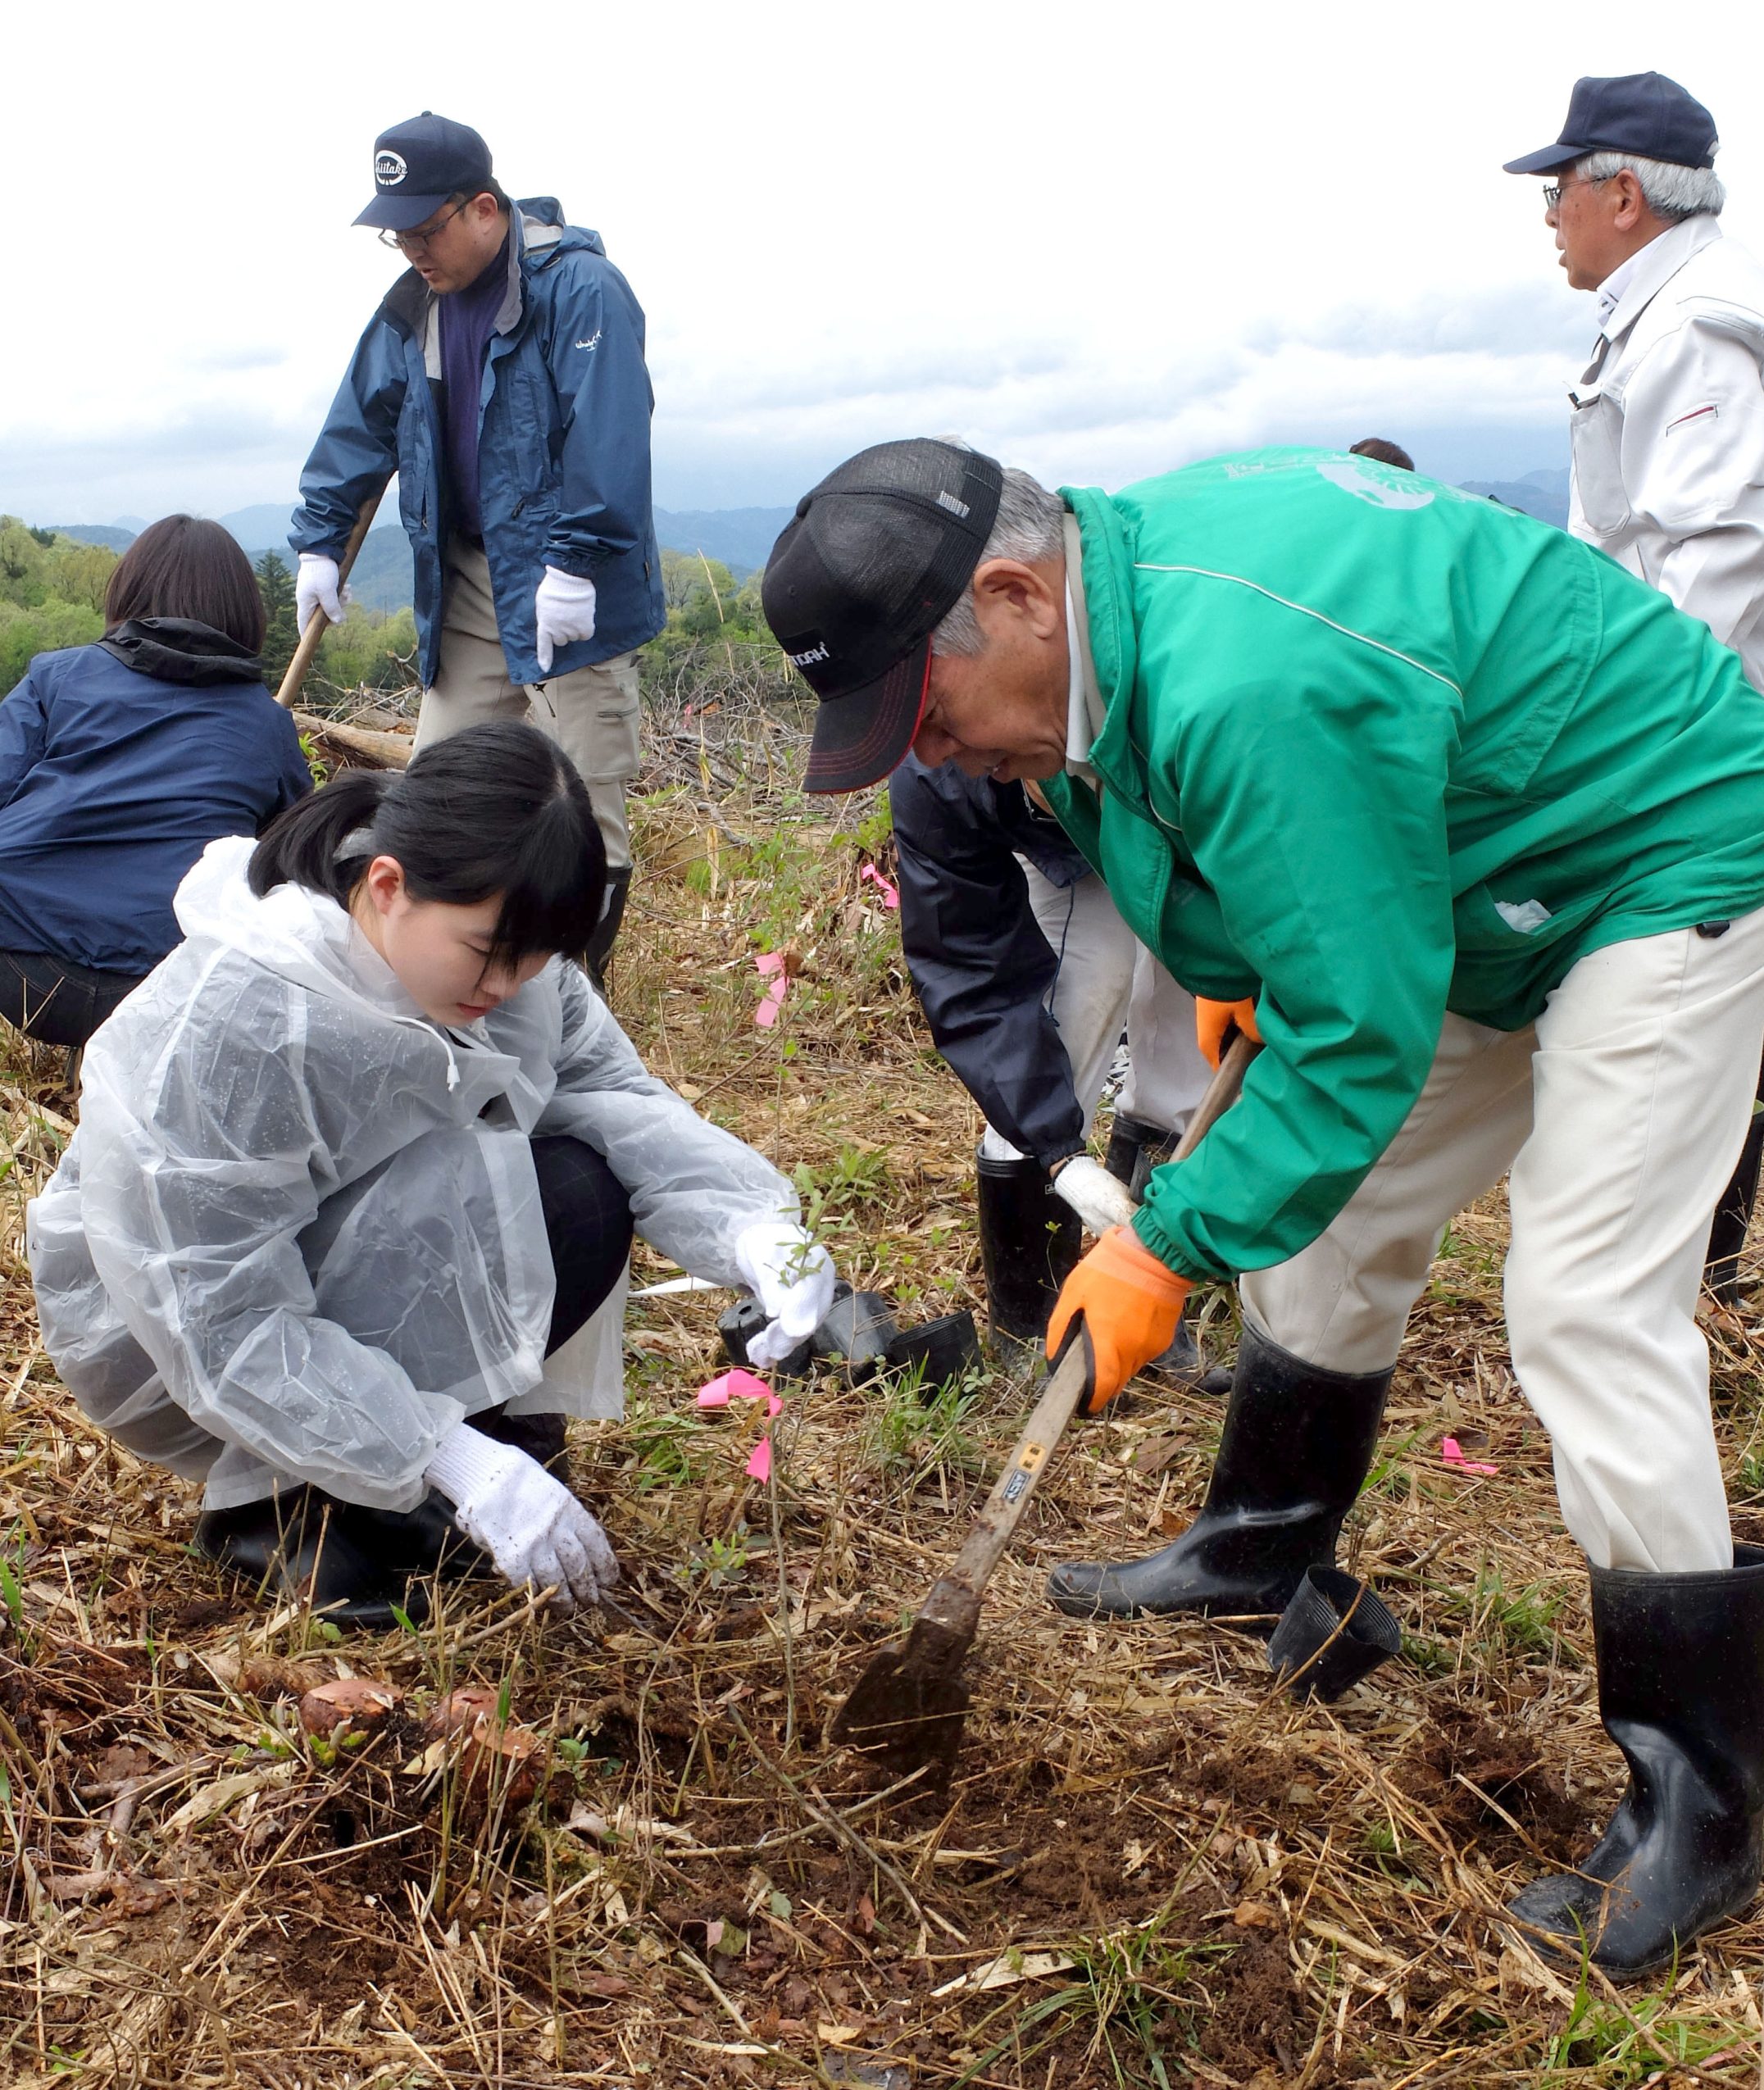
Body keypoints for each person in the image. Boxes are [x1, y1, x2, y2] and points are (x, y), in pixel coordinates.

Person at [762, 436, 1764, 1975]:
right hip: (1455, 878)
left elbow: (1357, 1034)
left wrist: (1163, 1241)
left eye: (926, 712)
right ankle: (1260, 1542)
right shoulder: (1097, 643)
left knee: (1582, 1303)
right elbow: (1216, 852)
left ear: (1016, 594)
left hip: (1651, 857)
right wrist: (1249, 964)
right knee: (1328, 1223)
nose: (934, 756)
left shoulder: (1247, 674)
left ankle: (1706, 1795)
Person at [27, 722, 833, 1628]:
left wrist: (749, 1224)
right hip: (174, 1336)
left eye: (538, 959)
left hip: (350, 1246)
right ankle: (273, 1507)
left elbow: (604, 1087)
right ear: (387, 885)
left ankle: (467, 1449)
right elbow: (215, 1305)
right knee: (497, 1202)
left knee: (574, 1189)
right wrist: (446, 1455)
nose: (510, 983)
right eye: (490, 951)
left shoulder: (510, 961)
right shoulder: (245, 1017)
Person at [290, 111, 665, 984]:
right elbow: (356, 429)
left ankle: (578, 1013)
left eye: (426, 228)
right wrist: (317, 538)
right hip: (463, 579)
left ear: (485, 208)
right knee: (439, 790)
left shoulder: (580, 290)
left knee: (585, 799)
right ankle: (447, 983)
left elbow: (608, 440)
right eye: (398, 234)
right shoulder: (412, 306)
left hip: (576, 584)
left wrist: (575, 562)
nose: (413, 249)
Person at [1506, 72, 1764, 1301]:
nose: (1548, 211)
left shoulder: (1704, 322)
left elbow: (1715, 564)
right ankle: (1697, 1272)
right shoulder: (1655, 310)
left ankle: (1687, 1273)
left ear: (1624, 191)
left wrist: (1641, 759)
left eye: (1560, 187)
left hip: (1707, 743)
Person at [889, 751, 1212, 1365]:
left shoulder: (1178, 713)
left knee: (1186, 1042)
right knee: (1080, 1000)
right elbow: (974, 975)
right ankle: (1033, 1331)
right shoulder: (941, 772)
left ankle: (1143, 1292)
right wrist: (1058, 1156)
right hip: (1067, 857)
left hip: (1183, 833)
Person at [0, 517, 310, 1051]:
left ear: (128, 593)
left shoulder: (58, 676)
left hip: (21, 964)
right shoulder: (268, 725)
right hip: (172, 985)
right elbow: (297, 862)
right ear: (244, 612)